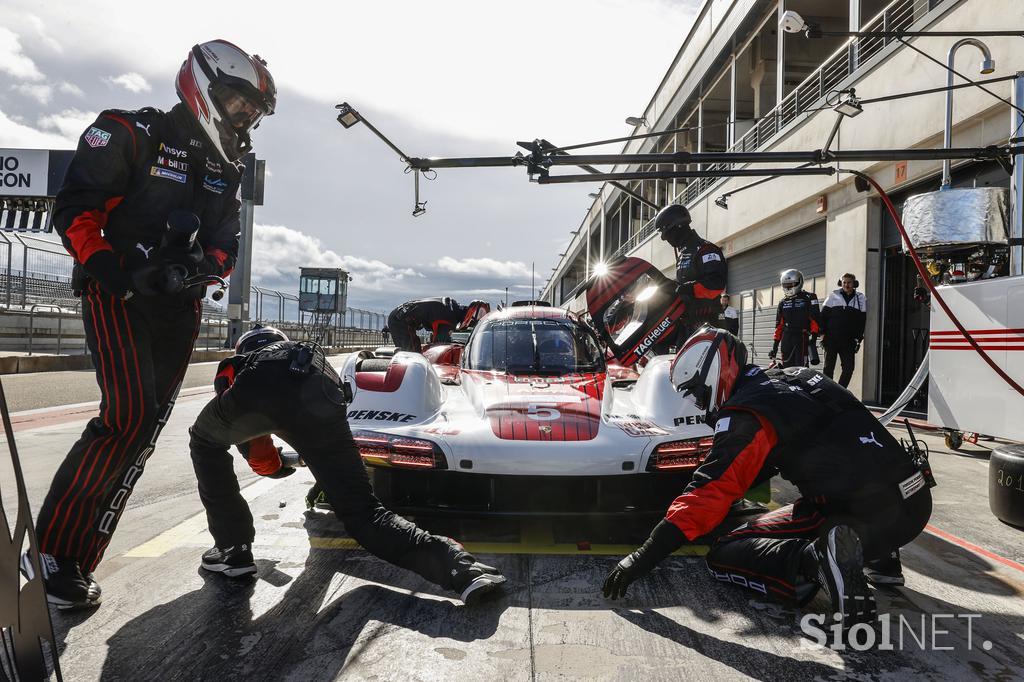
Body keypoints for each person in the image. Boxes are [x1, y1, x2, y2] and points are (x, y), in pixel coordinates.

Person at [29, 39, 275, 610]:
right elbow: (74, 209)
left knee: (144, 428)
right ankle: (52, 554)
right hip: (116, 295)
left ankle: (73, 563)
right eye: (240, 104)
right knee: (127, 416)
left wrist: (197, 268)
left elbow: (225, 244)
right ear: (206, 86)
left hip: (178, 308)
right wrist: (118, 272)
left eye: (253, 113)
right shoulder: (126, 131)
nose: (246, 118)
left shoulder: (226, 168)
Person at [601, 327, 933, 628]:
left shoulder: (748, 412)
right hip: (913, 503)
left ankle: (817, 559)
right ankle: (883, 562)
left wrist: (640, 558)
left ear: (714, 373)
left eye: (699, 394)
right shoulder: (799, 376)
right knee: (853, 469)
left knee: (725, 551)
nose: (701, 406)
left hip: (861, 517)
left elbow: (708, 495)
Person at [189, 327, 507, 604]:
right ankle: (460, 569)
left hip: (264, 388)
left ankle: (233, 550)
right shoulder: (301, 356)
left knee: (204, 441)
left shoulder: (239, 368)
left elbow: (259, 456)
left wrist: (279, 466)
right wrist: (308, 459)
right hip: (323, 390)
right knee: (365, 514)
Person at [652, 204, 726, 353]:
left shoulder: (705, 250)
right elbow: (682, 287)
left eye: (666, 233)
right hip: (688, 326)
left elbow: (715, 285)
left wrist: (687, 289)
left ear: (678, 227)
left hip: (708, 326)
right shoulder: (684, 254)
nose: (665, 238)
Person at [387, 297, 489, 352]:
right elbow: (441, 345)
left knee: (413, 353)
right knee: (412, 356)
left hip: (401, 317)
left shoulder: (452, 308)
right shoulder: (450, 315)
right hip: (400, 320)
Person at [821, 274, 867, 388]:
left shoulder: (861, 298)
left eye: (849, 282)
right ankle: (827, 392)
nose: (846, 285)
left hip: (848, 340)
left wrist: (859, 338)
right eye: (844, 282)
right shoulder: (833, 296)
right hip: (831, 339)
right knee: (828, 368)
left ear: (854, 284)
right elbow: (823, 316)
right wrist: (822, 335)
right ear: (840, 283)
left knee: (848, 368)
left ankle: (840, 391)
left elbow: (862, 320)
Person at [770, 269, 821, 368]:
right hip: (787, 338)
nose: (788, 287)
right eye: (786, 285)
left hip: (801, 337)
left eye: (791, 284)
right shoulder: (782, 302)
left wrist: (813, 339)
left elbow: (815, 320)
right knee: (786, 369)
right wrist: (774, 347)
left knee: (801, 369)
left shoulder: (809, 297)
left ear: (799, 282)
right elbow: (779, 326)